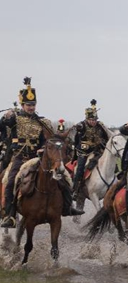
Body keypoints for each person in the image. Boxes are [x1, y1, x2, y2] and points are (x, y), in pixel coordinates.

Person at [0, 77, 84, 228]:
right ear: (22, 105)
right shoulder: (15, 118)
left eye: (33, 105)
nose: (31, 107)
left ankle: (67, 206)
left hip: (36, 158)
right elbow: (5, 123)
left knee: (64, 177)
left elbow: (47, 140)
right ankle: (10, 215)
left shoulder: (42, 122)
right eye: (28, 105)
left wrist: (43, 147)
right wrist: (6, 116)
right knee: (10, 181)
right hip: (19, 158)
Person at [70, 99, 110, 195]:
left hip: (97, 151)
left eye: (95, 120)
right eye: (91, 120)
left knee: (109, 163)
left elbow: (106, 137)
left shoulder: (100, 126)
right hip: (84, 152)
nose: (93, 122)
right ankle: (76, 189)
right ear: (87, 119)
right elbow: (77, 136)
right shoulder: (82, 125)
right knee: (80, 168)